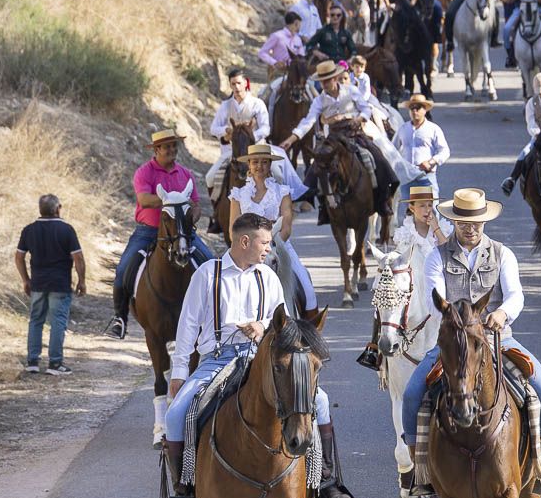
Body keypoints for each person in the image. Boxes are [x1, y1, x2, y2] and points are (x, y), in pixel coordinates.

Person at [162, 213, 354, 498]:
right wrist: (179, 372)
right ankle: (183, 494)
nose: (269, 249)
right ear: (245, 241)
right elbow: (187, 326)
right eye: (265, 242)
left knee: (318, 400)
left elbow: (287, 326)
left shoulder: (269, 277)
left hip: (261, 358)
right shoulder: (208, 274)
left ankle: (328, 482)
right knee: (175, 414)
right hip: (218, 359)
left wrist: (262, 325)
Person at [402, 188, 541, 494]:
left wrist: (502, 314)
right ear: (454, 222)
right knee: (413, 394)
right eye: (464, 222)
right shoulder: (436, 258)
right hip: (453, 342)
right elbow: (432, 297)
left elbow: (516, 293)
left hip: (497, 338)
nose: (471, 228)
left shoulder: (503, 254)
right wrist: (456, 322)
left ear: (484, 222)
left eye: (476, 222)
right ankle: (420, 470)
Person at [104, 129, 213, 340]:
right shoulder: (144, 173)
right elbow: (144, 200)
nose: (172, 150)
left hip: (182, 231)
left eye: (174, 146)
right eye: (167, 147)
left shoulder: (185, 174)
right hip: (149, 231)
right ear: (156, 150)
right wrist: (171, 200)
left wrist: (192, 217)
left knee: (210, 262)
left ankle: (213, 317)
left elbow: (196, 204)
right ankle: (120, 318)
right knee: (123, 269)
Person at [279, 60, 424, 205]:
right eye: (322, 81)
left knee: (378, 153)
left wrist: (358, 118)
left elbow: (366, 108)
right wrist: (291, 139)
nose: (324, 84)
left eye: (327, 80)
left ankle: (388, 187)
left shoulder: (351, 91)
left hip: (355, 131)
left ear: (335, 79)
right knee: (319, 160)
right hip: (334, 135)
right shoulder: (319, 100)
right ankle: (310, 194)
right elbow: (308, 121)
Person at [357, 179, 449, 370]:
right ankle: (375, 348)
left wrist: (436, 228)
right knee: (384, 298)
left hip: (440, 283)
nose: (427, 210)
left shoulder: (443, 229)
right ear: (412, 209)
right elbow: (400, 263)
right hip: (412, 285)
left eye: (430, 205)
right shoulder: (404, 233)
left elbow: (448, 252)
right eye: (422, 205)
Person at [228, 144, 317, 315]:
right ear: (249, 165)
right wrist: (248, 249)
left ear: (270, 165)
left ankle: (310, 330)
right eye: (255, 162)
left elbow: (286, 226)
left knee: (307, 289)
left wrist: (269, 247)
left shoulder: (282, 192)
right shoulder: (238, 195)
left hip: (279, 246)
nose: (259, 166)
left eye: (264, 162)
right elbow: (233, 230)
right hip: (244, 250)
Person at [16, 194, 86, 375]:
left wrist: (25, 279)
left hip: (38, 283)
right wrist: (82, 280)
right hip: (60, 283)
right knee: (58, 322)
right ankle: (55, 363)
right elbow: (77, 257)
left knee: (36, 320)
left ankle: (32, 361)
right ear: (57, 208)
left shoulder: (29, 230)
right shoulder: (66, 230)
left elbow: (19, 256)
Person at [204, 67, 270, 212]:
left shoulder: (257, 104)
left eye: (239, 83)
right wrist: (226, 132)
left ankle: (280, 212)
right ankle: (217, 213)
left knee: (277, 173)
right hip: (231, 152)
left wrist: (251, 137)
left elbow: (266, 128)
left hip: (257, 151)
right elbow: (213, 128)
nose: (236, 87)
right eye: (233, 84)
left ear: (246, 83)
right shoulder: (225, 106)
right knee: (210, 177)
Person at [394, 94, 449, 199]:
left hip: (426, 175)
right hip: (407, 177)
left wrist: (431, 162)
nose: (415, 111)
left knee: (431, 210)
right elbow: (392, 149)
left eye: (418, 108)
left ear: (425, 110)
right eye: (412, 108)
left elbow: (445, 151)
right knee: (409, 212)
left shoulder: (433, 129)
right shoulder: (403, 129)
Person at [259, 12, 307, 80]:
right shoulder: (277, 36)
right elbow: (262, 52)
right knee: (273, 89)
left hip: (295, 73)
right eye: (297, 25)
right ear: (292, 24)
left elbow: (302, 55)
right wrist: (274, 62)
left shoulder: (298, 39)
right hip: (279, 72)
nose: (298, 29)